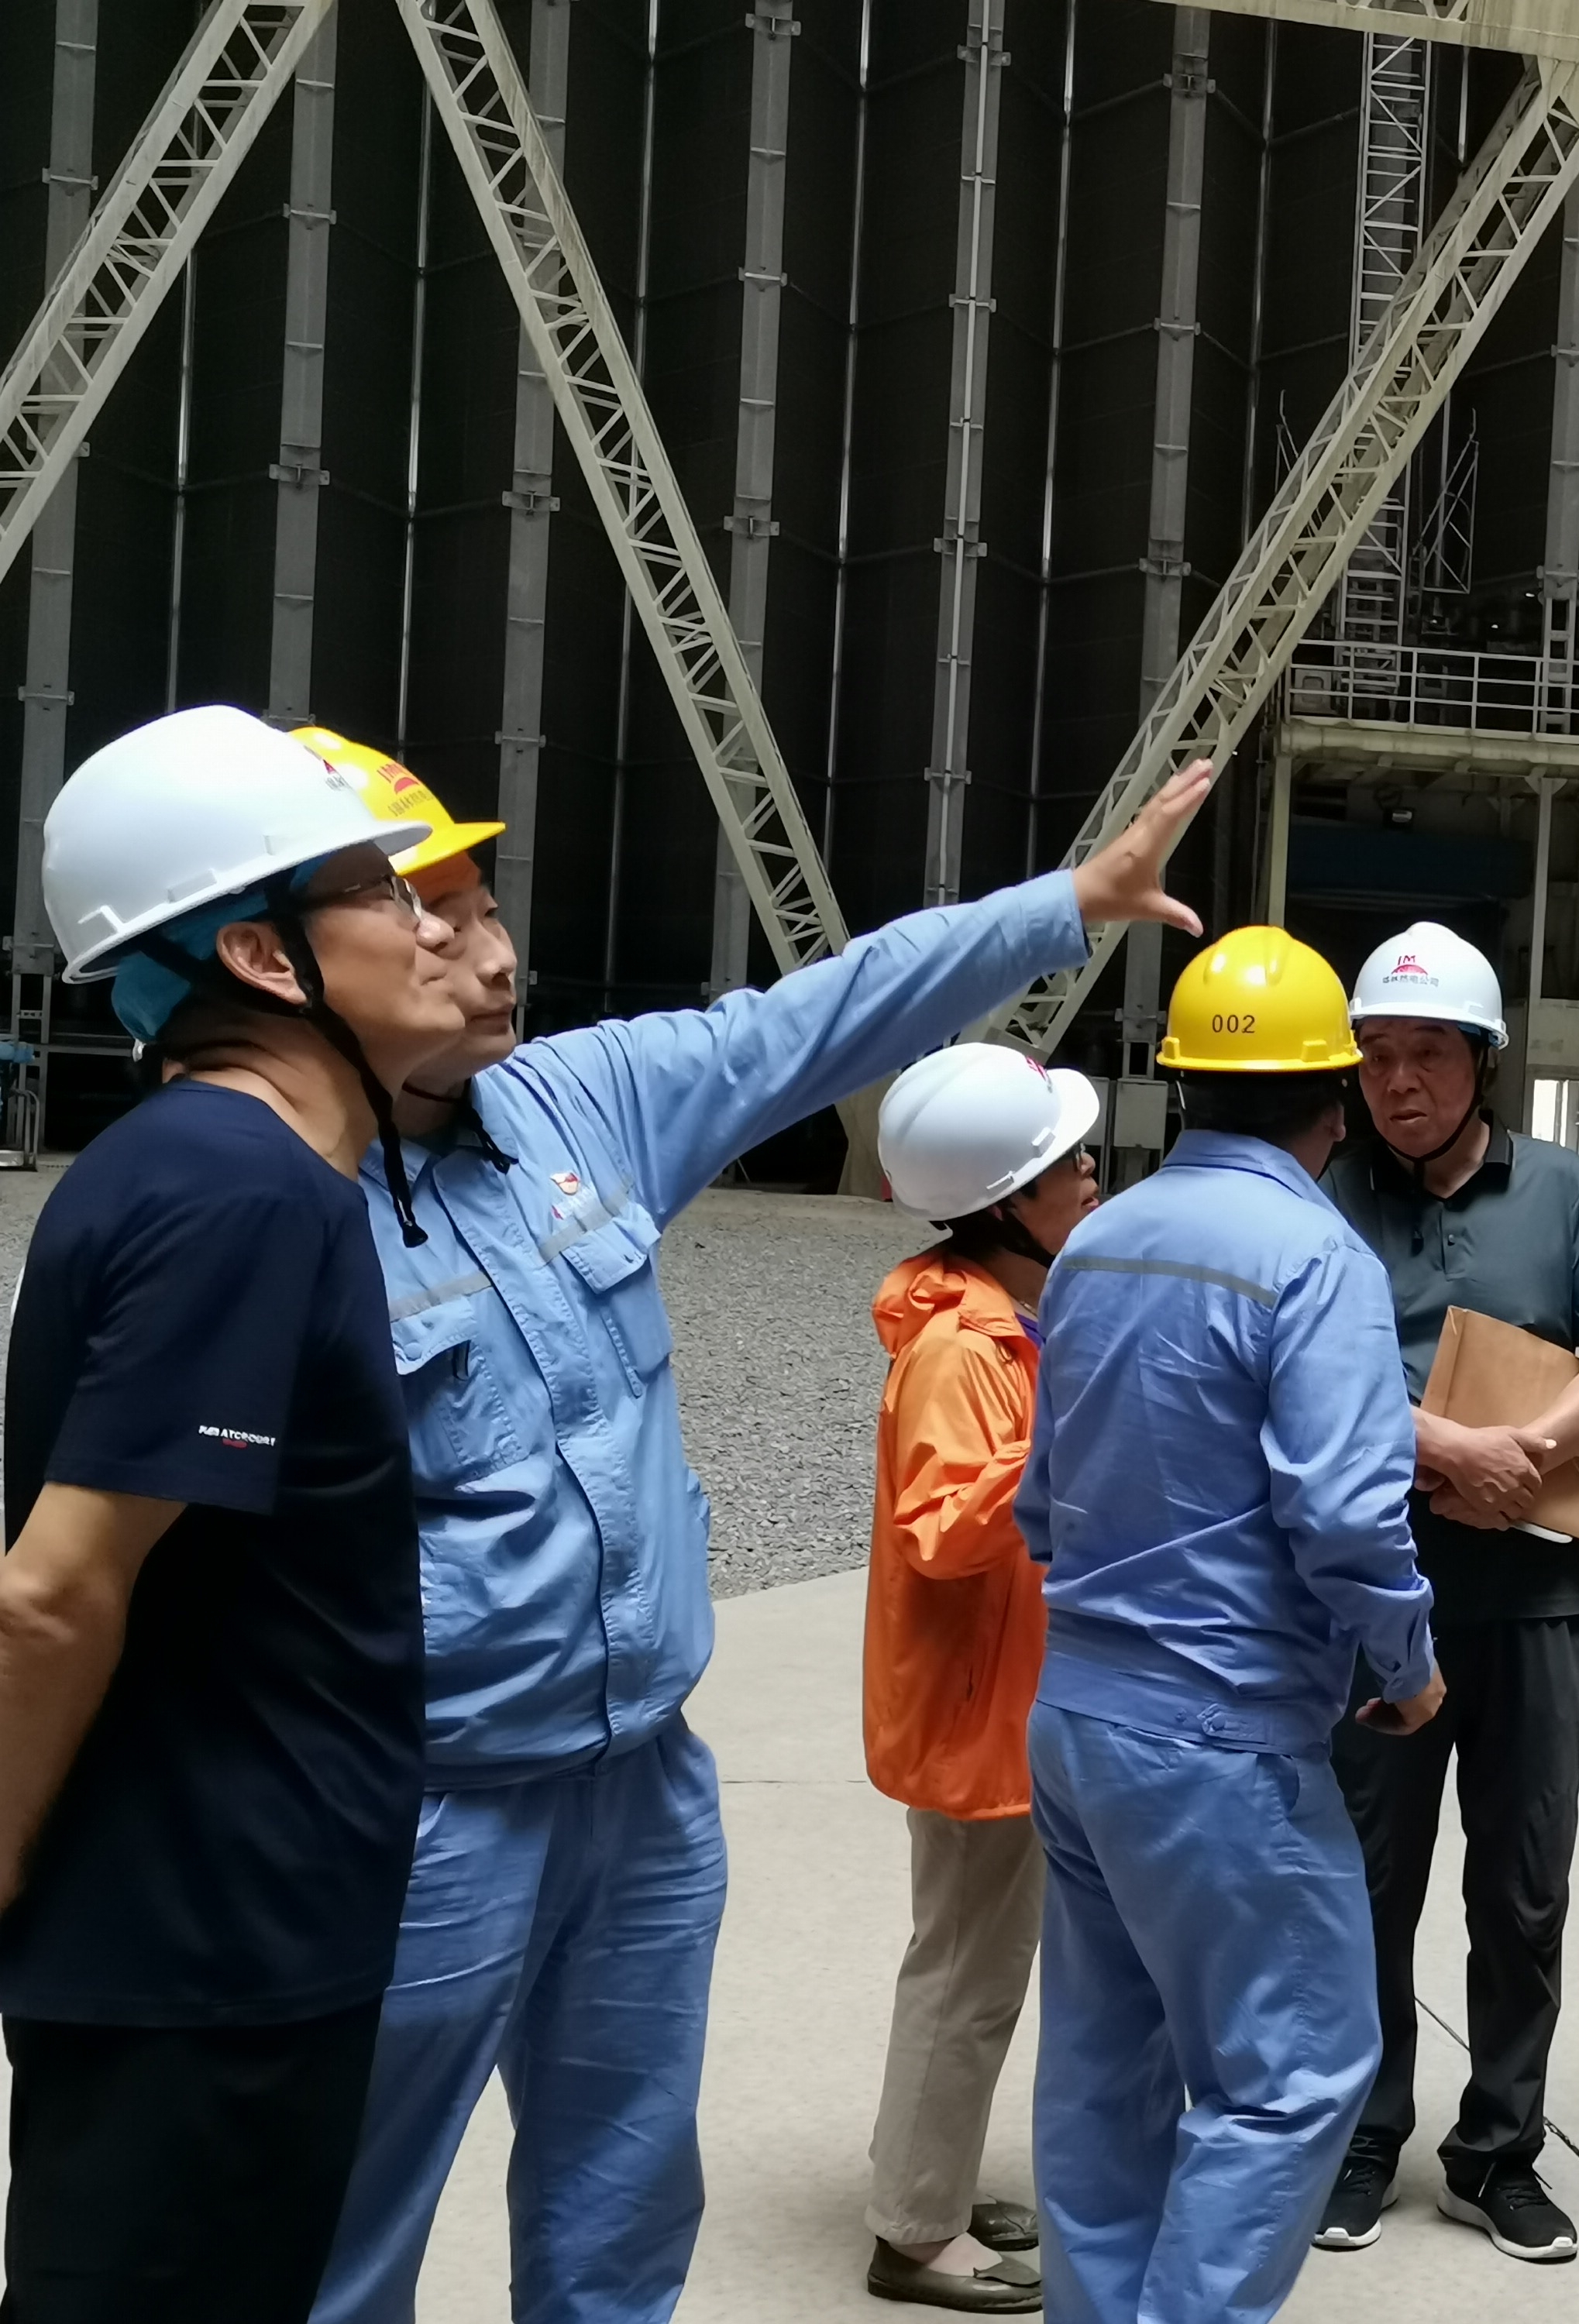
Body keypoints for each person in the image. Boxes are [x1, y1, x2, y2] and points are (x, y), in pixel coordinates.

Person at [303, 738, 1219, 2324]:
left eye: (487, 903)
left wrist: (1066, 905)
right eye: (431, 914)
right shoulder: (264, 1194)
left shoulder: (576, 1105)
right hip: (427, 1810)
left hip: (643, 1785)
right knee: (344, 2227)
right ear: (278, 954)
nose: (494, 951)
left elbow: (812, 1018)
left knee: (622, 2216)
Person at [0, 706, 465, 2322]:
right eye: (383, 892)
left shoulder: (245, 1175)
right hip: (198, 1952)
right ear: (266, 958)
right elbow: (53, 1592)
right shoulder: (234, 1190)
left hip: (233, 1932)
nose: (432, 925)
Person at [1020, 927, 1445, 2324]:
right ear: (1337, 1102)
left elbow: (1042, 1499)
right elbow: (1345, 1518)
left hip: (1078, 1722)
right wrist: (1406, 1664)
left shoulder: (1095, 1244)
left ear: (1183, 1085)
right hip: (1222, 1739)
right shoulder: (1318, 1258)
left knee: (1105, 2069)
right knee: (1299, 2072)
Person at [1314, 920, 1579, 2264]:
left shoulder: (1559, 1189)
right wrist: (1450, 1449)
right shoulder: (1326, 1192)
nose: (1399, 1081)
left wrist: (1529, 1455)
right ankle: (1360, 2135)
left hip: (1531, 1605)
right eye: (1377, 1056)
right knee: (1363, 1881)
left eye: (1429, 1054)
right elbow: (1306, 1375)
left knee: (1521, 1889)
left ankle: (1500, 2150)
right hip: (1369, 1604)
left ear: (1483, 1062)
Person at [857, 1046, 1104, 2313]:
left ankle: (930, 2184)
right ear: (1005, 1202)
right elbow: (943, 1533)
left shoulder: (1009, 1321)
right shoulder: (962, 1349)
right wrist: (1068, 1435)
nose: (1092, 1172)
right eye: (1066, 1163)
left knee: (975, 1967)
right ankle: (913, 2234)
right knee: (965, 1976)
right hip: (974, 1716)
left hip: (1003, 1697)